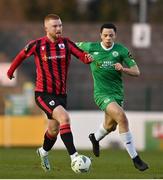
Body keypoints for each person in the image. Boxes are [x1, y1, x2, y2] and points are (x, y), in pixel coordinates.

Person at [7, 14, 93, 172]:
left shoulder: (66, 43)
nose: (58, 28)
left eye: (60, 25)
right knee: (64, 117)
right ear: (46, 28)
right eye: (55, 26)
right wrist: (11, 71)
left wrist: (87, 58)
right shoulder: (37, 44)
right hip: (43, 93)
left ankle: (43, 152)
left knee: (53, 130)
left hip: (61, 95)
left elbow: (81, 55)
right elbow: (21, 55)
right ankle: (74, 157)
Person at [77, 23, 149, 171]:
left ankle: (95, 138)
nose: (108, 38)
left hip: (117, 94)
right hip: (101, 94)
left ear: (115, 35)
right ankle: (135, 158)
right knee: (122, 117)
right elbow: (71, 46)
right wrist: (83, 56)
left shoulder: (121, 50)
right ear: (100, 36)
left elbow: (136, 72)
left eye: (111, 35)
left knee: (111, 126)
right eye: (105, 35)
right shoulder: (91, 47)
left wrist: (123, 69)